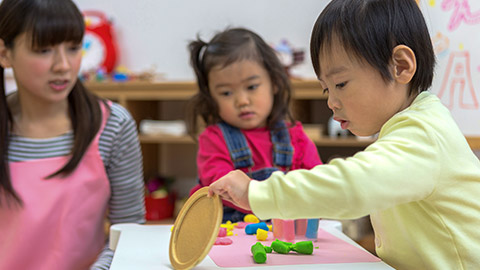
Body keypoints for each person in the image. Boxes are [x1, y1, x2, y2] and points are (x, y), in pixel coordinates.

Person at [208, 0, 480, 269]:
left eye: (341, 83)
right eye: (327, 89)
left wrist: (256, 192)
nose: (332, 102)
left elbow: (354, 185)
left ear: (400, 66)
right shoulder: (411, 127)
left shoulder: (423, 135)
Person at [0, 0, 145, 269]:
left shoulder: (113, 126)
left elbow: (129, 233)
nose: (64, 65)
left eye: (75, 47)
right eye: (43, 50)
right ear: (4, 53)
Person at [186, 27, 322, 222]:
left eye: (251, 87)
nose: (242, 101)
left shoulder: (295, 137)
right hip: (230, 235)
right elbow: (222, 188)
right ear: (211, 97)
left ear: (274, 82)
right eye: (226, 93)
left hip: (284, 237)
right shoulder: (213, 139)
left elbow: (316, 186)